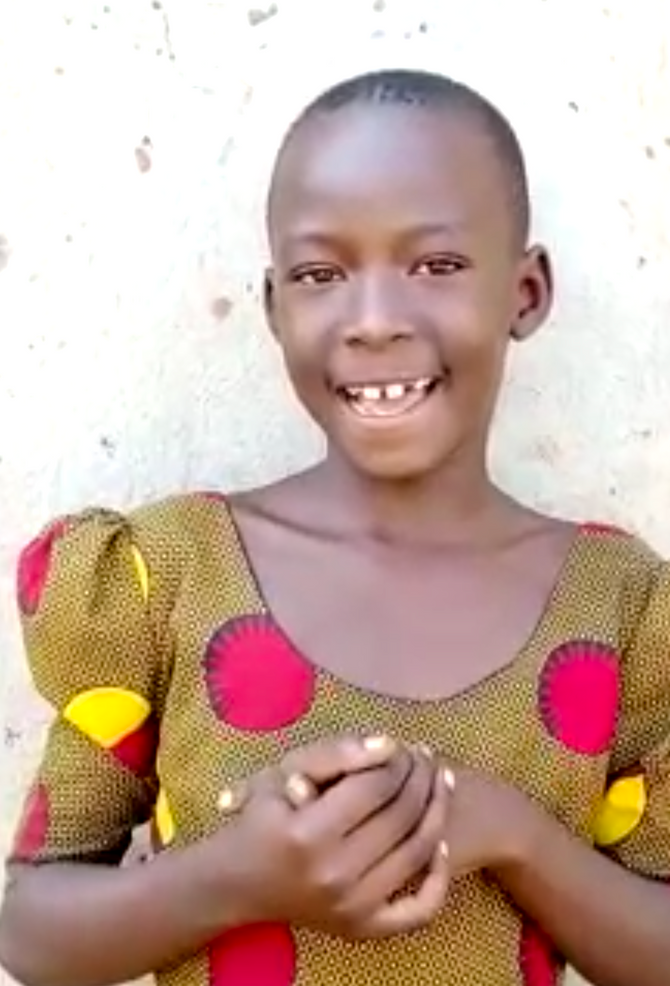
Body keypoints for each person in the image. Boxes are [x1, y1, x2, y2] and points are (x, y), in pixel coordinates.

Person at [1, 67, 669, 986]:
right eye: (322, 273)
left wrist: (513, 837)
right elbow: (33, 932)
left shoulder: (624, 611)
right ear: (275, 307)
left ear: (525, 291)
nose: (375, 322)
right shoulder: (163, 578)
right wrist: (238, 876)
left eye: (435, 266)